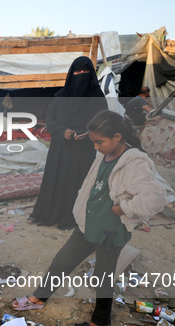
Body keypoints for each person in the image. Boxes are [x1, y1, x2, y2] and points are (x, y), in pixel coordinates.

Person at [11, 110, 167, 326]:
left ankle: (101, 322)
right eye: (94, 142)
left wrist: (124, 208)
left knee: (103, 278)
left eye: (99, 142)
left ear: (116, 137)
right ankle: (39, 297)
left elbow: (156, 198)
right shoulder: (104, 154)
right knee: (62, 261)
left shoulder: (136, 162)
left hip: (110, 230)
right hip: (89, 222)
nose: (95, 147)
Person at [29, 56, 108, 230]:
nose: (81, 75)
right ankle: (50, 214)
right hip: (61, 148)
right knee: (56, 180)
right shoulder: (60, 96)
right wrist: (63, 131)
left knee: (77, 183)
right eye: (77, 71)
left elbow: (104, 121)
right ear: (71, 73)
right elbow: (50, 119)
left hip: (83, 150)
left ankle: (71, 217)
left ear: (92, 74)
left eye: (85, 71)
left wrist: (89, 134)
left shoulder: (97, 97)